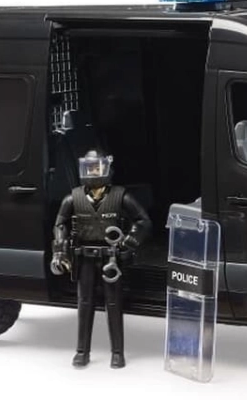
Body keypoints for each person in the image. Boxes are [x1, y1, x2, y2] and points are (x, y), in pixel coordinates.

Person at [50, 150, 151, 369]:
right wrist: (60, 251)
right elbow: (60, 225)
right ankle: (82, 352)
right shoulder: (73, 198)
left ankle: (117, 353)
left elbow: (143, 221)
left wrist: (129, 241)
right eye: (89, 168)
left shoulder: (120, 196)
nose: (93, 172)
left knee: (113, 304)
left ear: (107, 168)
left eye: (97, 168)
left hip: (111, 258)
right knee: (84, 304)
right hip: (84, 258)